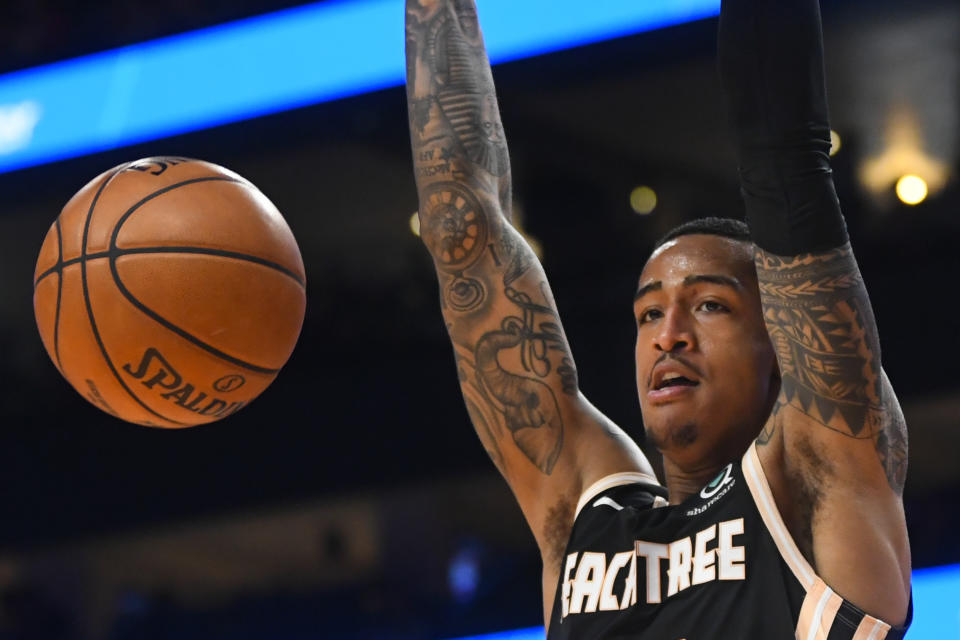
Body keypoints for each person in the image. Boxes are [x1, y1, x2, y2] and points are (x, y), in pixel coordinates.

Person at [404, 0, 911, 636]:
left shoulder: (815, 482)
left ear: (782, 344)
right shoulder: (587, 519)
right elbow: (462, 233)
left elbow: (786, 164)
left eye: (709, 305)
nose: (668, 336)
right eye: (647, 314)